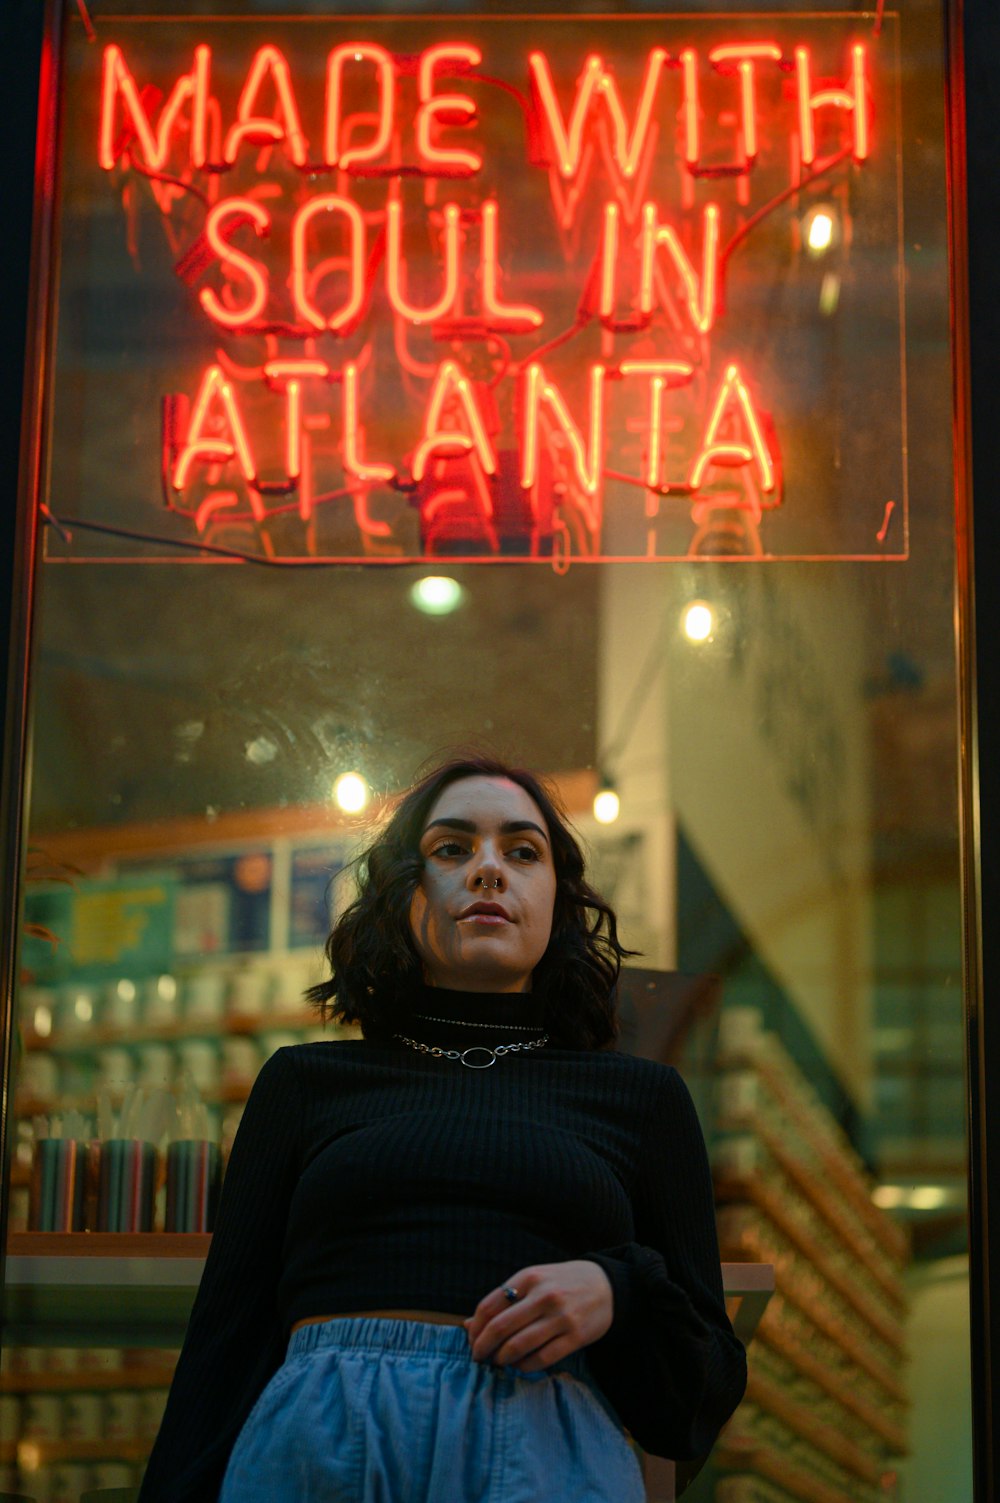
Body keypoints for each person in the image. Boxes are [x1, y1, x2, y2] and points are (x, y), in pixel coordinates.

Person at [138, 755, 747, 1502]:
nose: (489, 870)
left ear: (559, 898)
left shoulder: (641, 1098)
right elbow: (222, 1352)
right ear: (401, 891)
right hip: (323, 1454)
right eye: (452, 848)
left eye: (523, 851)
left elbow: (704, 1391)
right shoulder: (305, 1084)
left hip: (547, 1458)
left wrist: (619, 1293)